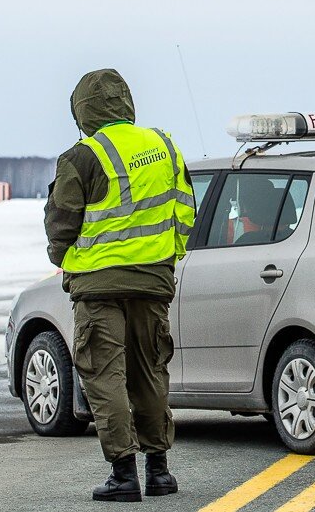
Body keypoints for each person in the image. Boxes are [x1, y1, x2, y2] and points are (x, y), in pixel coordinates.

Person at [44, 69, 195, 502]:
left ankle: (123, 475)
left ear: (82, 111)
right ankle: (160, 471)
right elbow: (186, 209)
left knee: (104, 374)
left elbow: (61, 223)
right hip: (153, 281)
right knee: (150, 370)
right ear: (127, 104)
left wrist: (63, 258)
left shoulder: (82, 156)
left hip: (98, 285)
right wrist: (167, 258)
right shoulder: (163, 145)